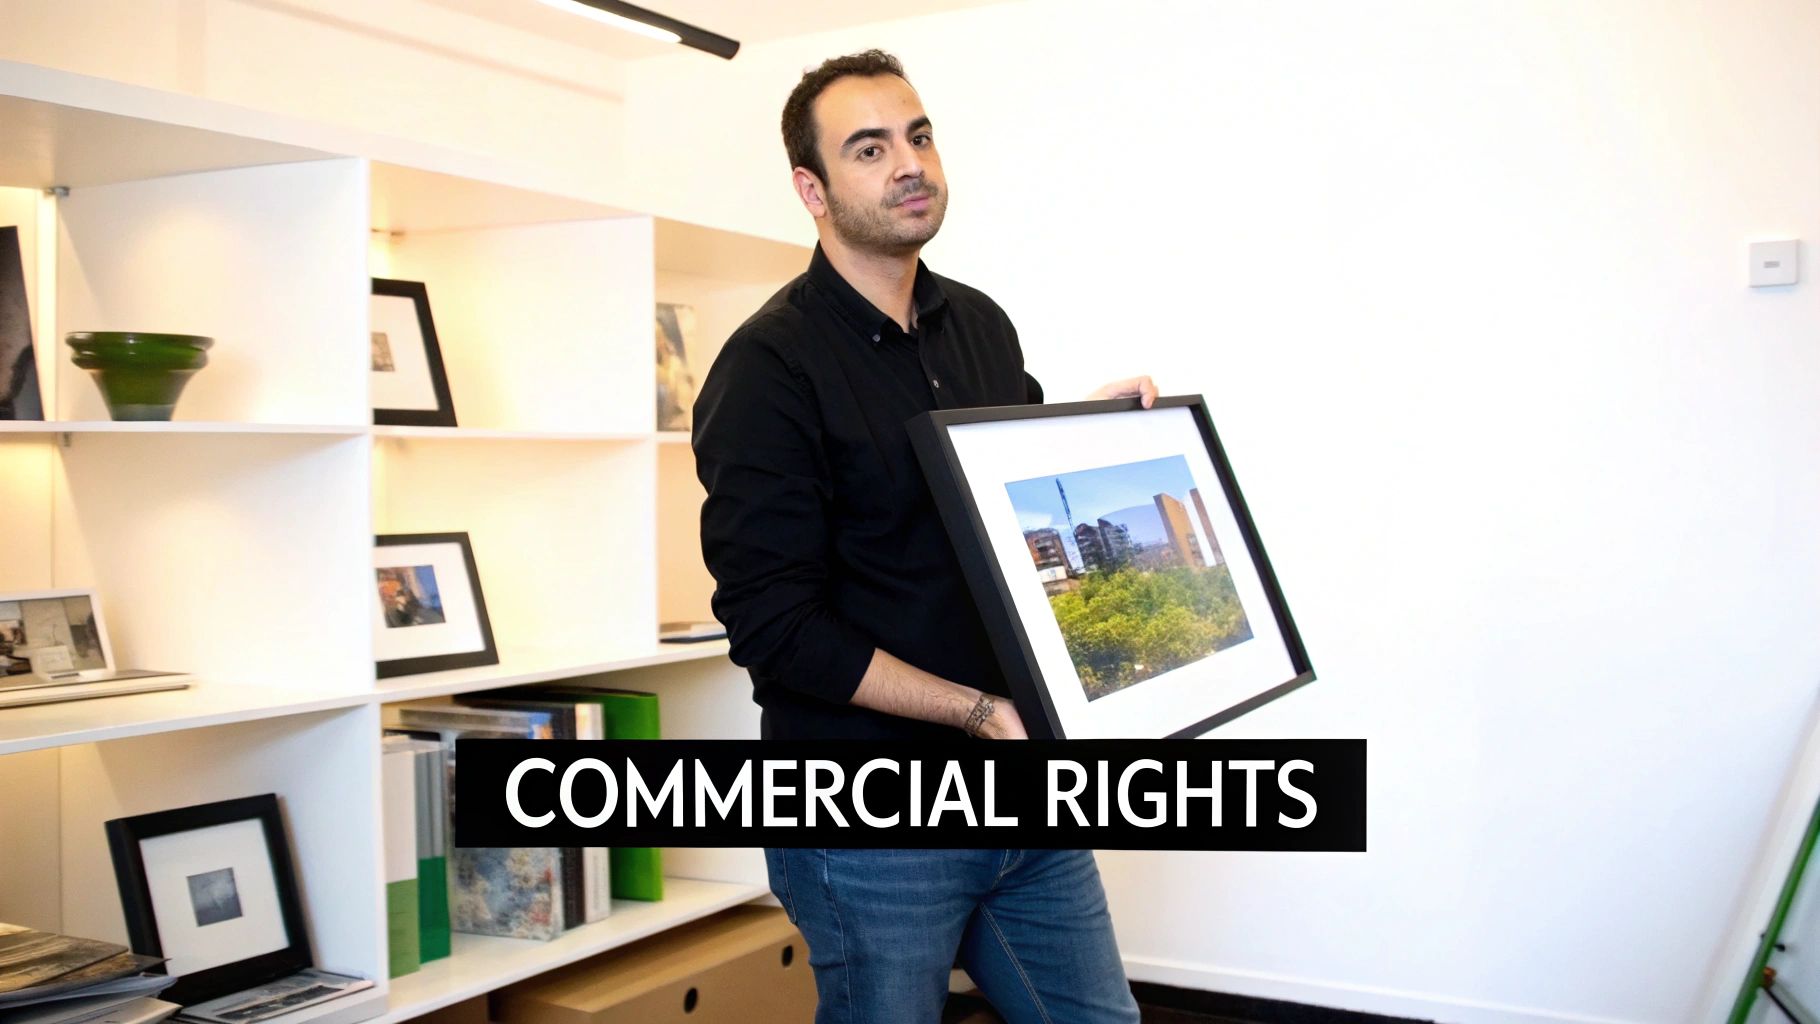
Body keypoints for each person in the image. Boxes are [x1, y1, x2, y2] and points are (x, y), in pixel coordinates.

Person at [692, 50, 1155, 1024]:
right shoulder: (767, 368)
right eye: (869, 148)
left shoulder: (978, 325)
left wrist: (1105, 432)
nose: (907, 163)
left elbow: (1000, 499)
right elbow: (775, 627)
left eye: (917, 135)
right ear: (810, 190)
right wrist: (978, 713)